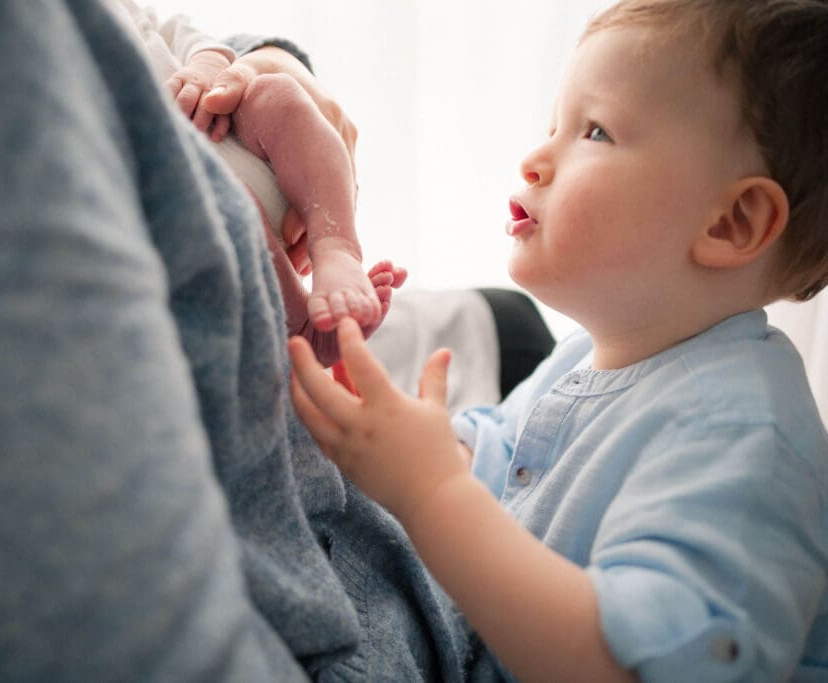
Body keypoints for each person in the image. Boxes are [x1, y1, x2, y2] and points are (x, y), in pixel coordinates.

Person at [0, 0, 470, 680]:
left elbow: (198, 41)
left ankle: (338, 249)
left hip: (226, 144)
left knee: (281, 107)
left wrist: (262, 63)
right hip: (333, 597)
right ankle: (307, 315)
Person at [288, 0, 828, 680]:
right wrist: (388, 434)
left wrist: (430, 494)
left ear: (732, 222)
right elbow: (499, 466)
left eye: (594, 131)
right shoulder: (591, 352)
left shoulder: (748, 435)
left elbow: (633, 668)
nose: (536, 157)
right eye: (553, 125)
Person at [113, 2, 395, 359]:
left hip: (226, 124)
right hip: (185, 191)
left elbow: (183, 33)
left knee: (278, 94)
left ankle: (336, 246)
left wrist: (207, 66)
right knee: (228, 212)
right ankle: (299, 323)